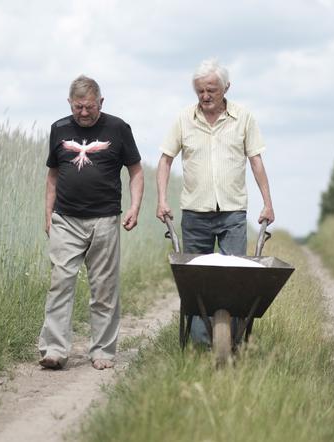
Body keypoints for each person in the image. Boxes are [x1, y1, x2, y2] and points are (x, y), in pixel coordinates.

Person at [156, 58, 275, 345]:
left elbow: (256, 162)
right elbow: (165, 160)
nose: (206, 96)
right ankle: (201, 345)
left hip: (233, 213)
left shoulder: (243, 117)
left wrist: (267, 203)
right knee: (197, 282)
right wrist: (162, 199)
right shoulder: (184, 119)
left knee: (236, 280)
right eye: (200, 91)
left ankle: (231, 344)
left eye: (212, 90)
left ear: (226, 88)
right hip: (195, 213)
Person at [39, 75, 144, 370]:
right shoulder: (58, 129)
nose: (83, 113)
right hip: (66, 218)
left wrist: (134, 207)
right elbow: (52, 177)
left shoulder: (118, 128)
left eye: (89, 107)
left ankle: (102, 352)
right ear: (70, 104)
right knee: (60, 283)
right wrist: (48, 215)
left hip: (105, 219)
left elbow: (135, 171)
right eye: (77, 107)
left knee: (104, 288)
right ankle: (54, 349)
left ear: (101, 102)